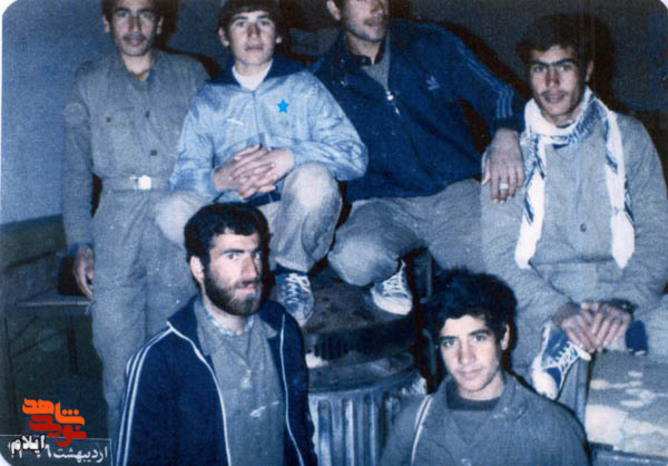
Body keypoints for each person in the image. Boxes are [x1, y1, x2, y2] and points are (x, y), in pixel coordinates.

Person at [482, 14, 668, 403]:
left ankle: (609, 341)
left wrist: (625, 301)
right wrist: (560, 309)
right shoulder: (509, 154)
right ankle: (574, 350)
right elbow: (499, 256)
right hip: (543, 305)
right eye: (539, 69)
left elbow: (659, 234)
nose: (551, 82)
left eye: (564, 67)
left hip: (624, 295)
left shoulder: (629, 138)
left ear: (587, 71)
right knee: (556, 401)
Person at [312, 0, 526, 316]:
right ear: (334, 8)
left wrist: (506, 133)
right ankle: (390, 273)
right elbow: (294, 131)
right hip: (382, 204)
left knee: (502, 285)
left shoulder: (430, 42)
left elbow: (499, 92)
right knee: (354, 259)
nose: (376, 6)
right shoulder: (324, 77)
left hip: (453, 195)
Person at [166, 0, 367, 325]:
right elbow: (181, 178)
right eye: (241, 23)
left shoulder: (303, 86)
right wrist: (220, 179)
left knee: (314, 178)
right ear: (224, 36)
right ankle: (229, 275)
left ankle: (291, 272)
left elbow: (354, 155)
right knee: (170, 209)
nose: (253, 33)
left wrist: (291, 157)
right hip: (236, 222)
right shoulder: (208, 99)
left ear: (278, 34)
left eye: (264, 22)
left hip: (291, 217)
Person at [61, 0, 208, 436]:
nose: (134, 24)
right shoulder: (88, 81)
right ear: (106, 22)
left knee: (175, 358)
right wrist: (80, 244)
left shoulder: (191, 74)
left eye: (145, 13)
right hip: (115, 227)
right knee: (120, 367)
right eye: (123, 13)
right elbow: (75, 171)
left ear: (160, 22)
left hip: (175, 221)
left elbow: (213, 152)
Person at [115, 203, 316, 465]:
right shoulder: (159, 361)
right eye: (233, 256)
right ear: (199, 268)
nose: (252, 271)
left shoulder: (281, 331)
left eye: (255, 254)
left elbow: (300, 432)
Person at [381, 269, 589, 465]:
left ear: (504, 338)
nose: (465, 357)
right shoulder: (414, 422)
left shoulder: (553, 427)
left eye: (478, 338)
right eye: (450, 342)